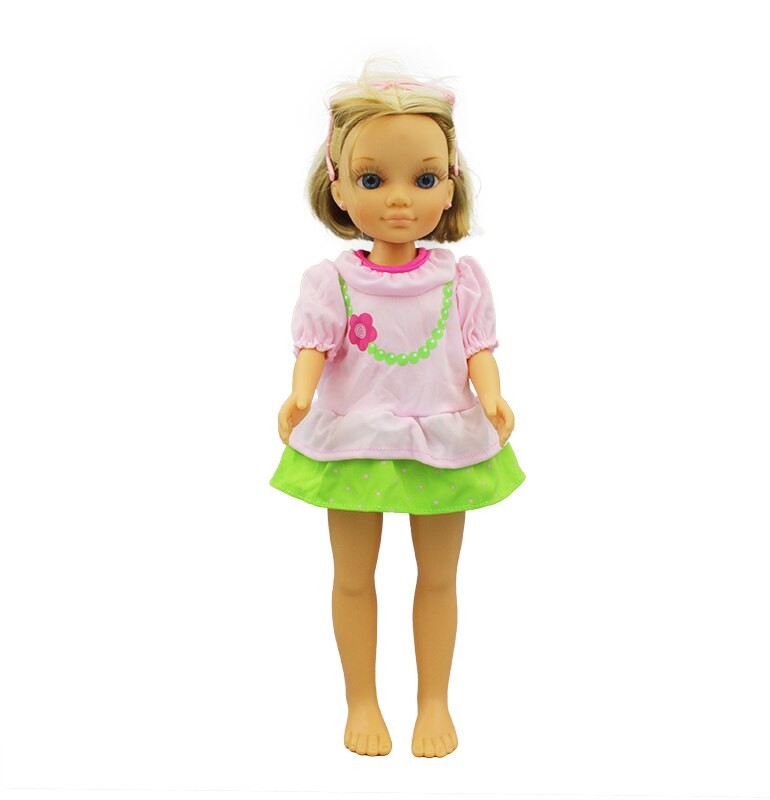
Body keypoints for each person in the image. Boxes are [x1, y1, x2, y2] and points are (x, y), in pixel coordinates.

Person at [269, 61, 526, 758]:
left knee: (439, 578)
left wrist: (492, 393)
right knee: (354, 579)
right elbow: (315, 346)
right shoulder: (332, 281)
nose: (401, 200)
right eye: (373, 180)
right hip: (356, 438)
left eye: (426, 178)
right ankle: (361, 698)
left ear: (451, 183)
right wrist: (300, 393)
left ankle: (434, 699)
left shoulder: (459, 278)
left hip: (442, 436)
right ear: (338, 187)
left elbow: (477, 348)